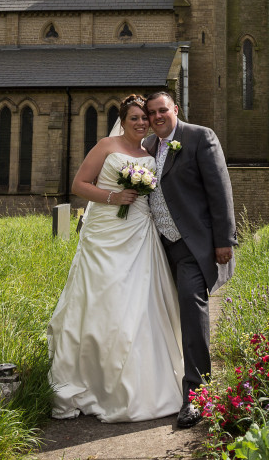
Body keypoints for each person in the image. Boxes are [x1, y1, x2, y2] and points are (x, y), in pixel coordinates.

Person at [47, 94, 183, 422]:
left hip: (139, 231)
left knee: (138, 301)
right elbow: (79, 184)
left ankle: (137, 382)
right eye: (134, 118)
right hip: (104, 232)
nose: (141, 123)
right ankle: (90, 378)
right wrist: (114, 196)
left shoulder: (150, 151)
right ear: (122, 120)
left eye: (144, 118)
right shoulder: (107, 146)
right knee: (100, 299)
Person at [144, 90, 236, 428]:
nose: (156, 117)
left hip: (190, 246)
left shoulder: (199, 137)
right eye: (151, 112)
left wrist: (224, 240)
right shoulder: (147, 149)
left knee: (192, 310)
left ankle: (197, 396)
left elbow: (220, 189)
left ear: (175, 109)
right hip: (154, 248)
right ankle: (160, 385)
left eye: (162, 110)